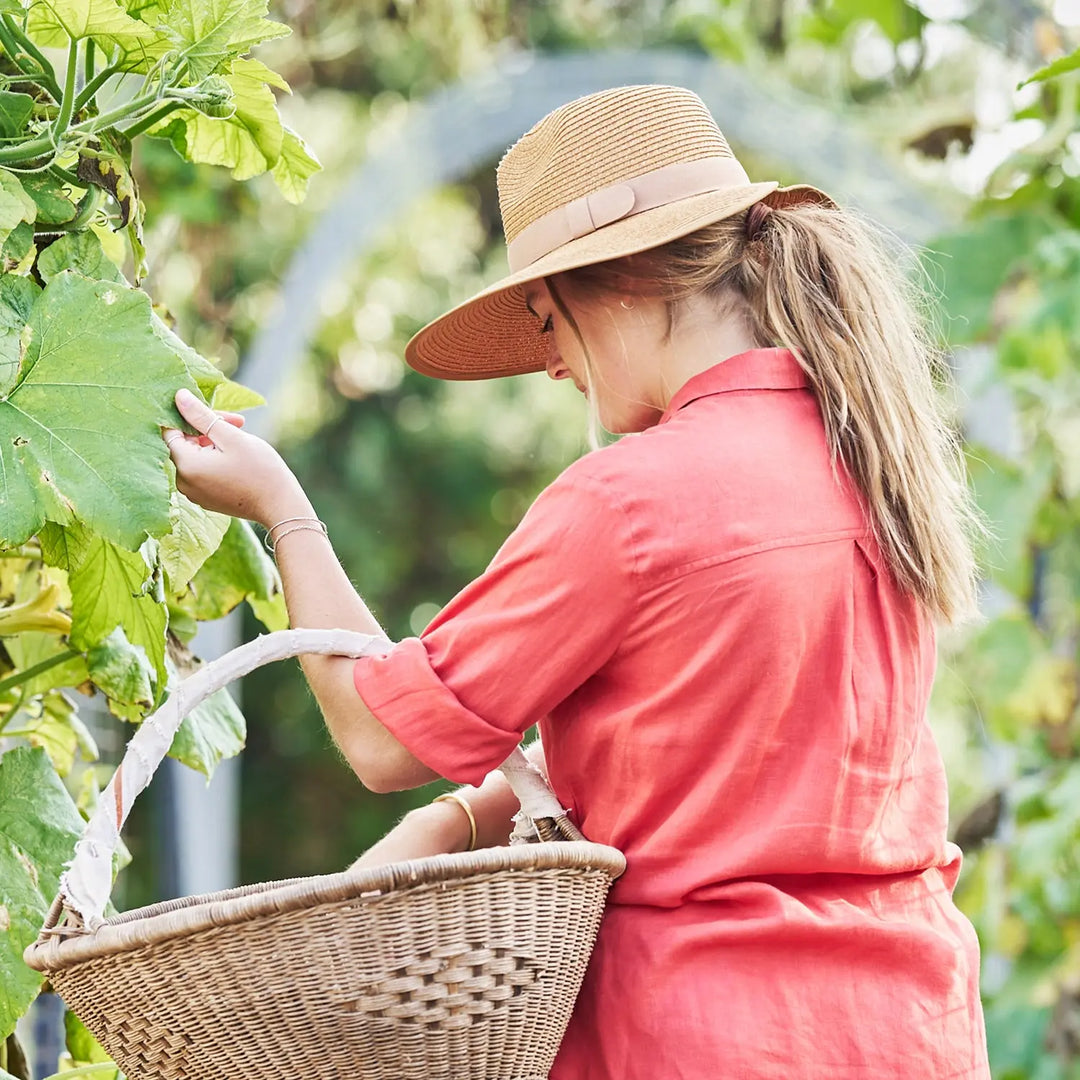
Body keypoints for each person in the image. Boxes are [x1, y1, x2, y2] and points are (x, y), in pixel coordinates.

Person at [165, 84, 991, 1079]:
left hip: (696, 1039)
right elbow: (705, 766)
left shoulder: (630, 502)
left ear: (623, 286)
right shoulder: (875, 461)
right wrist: (458, 817)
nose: (552, 367)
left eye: (547, 321)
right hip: (912, 1032)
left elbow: (380, 738)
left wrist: (282, 511)